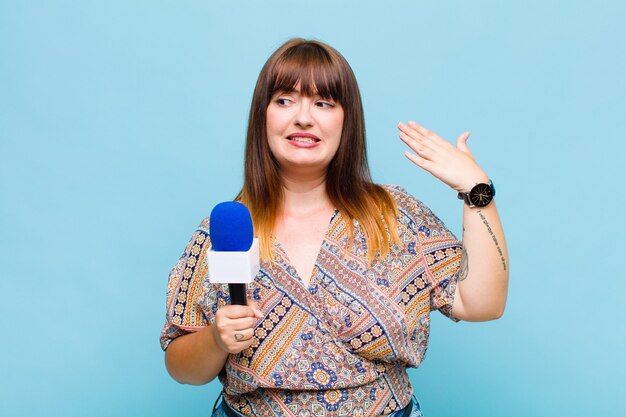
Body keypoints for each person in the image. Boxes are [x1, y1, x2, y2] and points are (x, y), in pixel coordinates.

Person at [160, 38, 509, 417]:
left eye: (323, 102)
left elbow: (481, 304)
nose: (304, 118)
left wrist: (477, 192)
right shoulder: (227, 228)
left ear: (347, 120)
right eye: (284, 100)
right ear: (263, 115)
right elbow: (182, 368)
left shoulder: (394, 215)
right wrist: (215, 339)